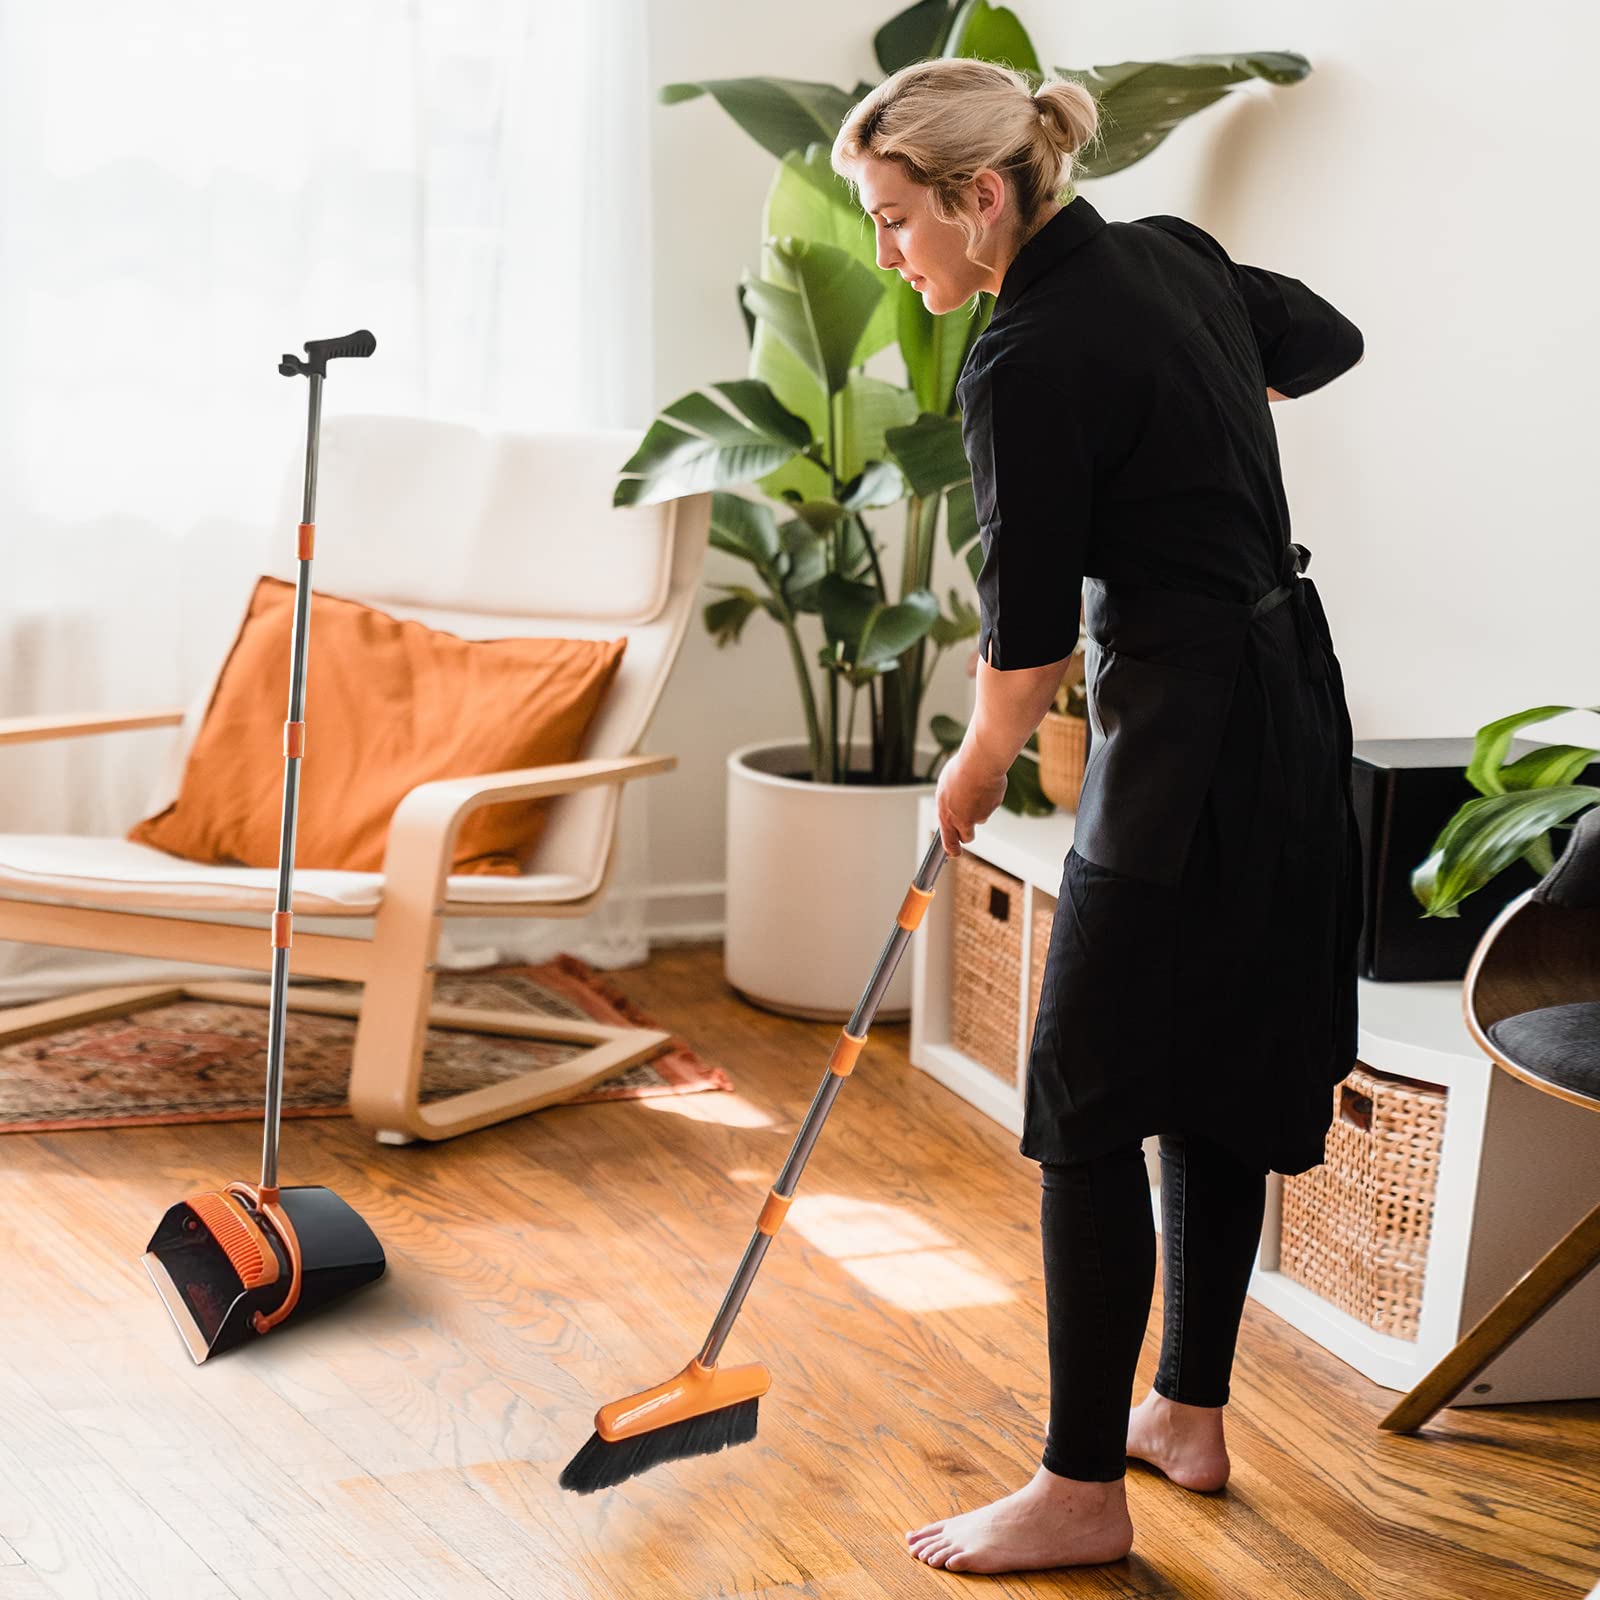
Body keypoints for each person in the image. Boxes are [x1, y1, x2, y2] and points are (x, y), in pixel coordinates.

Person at [831, 58, 1365, 1575]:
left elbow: (1026, 638)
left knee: (1085, 1094)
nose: (888, 250)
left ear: (981, 195)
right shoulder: (1171, 257)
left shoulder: (1026, 353)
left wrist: (976, 764)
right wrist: (1201, 413)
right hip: (1287, 704)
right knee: (1208, 1066)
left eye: (896, 218)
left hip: (1187, 732)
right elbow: (1326, 340)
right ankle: (1185, 1413)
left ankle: (1079, 1489)